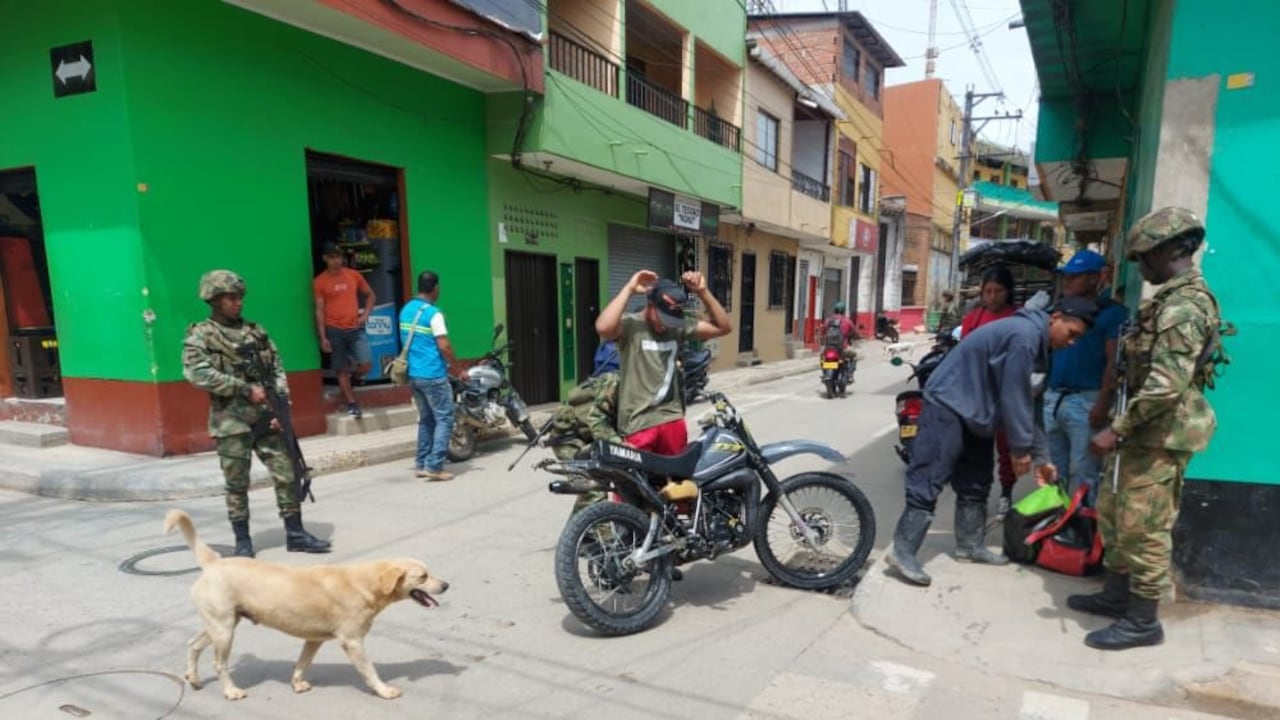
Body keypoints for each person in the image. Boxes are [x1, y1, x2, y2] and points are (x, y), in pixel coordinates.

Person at [1072, 207, 1222, 651]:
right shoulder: (1167, 300)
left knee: (1147, 527)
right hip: (1140, 432)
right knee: (1117, 516)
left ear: (1170, 250)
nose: (1140, 266)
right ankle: (1117, 596)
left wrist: (1115, 430)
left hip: (1159, 434)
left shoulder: (1185, 306)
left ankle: (1143, 622)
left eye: (1144, 257)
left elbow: (1165, 386)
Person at [886, 296, 1097, 587]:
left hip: (978, 409)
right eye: (1071, 334)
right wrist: (1020, 449)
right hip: (949, 401)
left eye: (1078, 339)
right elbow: (1015, 396)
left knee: (977, 477)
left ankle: (969, 545)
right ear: (1056, 317)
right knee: (930, 477)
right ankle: (903, 550)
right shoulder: (1024, 338)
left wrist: (1042, 457)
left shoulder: (1038, 345)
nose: (1072, 342)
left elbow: (1030, 401)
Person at [182, 270, 332, 557]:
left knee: (287, 472)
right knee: (237, 484)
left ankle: (296, 533)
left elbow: (276, 365)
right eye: (230, 298)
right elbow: (196, 374)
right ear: (213, 300)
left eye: (240, 297)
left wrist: (280, 405)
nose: (238, 303)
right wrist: (243, 388)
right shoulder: (201, 336)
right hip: (231, 422)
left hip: (266, 417)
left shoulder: (256, 331)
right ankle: (243, 543)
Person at [595, 270, 732, 455]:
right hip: (638, 424)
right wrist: (629, 289)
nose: (666, 324)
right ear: (650, 304)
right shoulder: (631, 326)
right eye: (662, 317)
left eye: (671, 319)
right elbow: (603, 328)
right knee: (638, 483)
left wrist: (703, 292)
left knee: (678, 483)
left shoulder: (678, 327)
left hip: (671, 420)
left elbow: (723, 327)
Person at [1044, 250, 1129, 507]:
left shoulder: (1112, 314)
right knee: (1051, 471)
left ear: (1094, 279)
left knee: (1085, 473)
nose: (1068, 283)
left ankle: (1080, 534)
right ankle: (1055, 529)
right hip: (1054, 397)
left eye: (1075, 277)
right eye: (1066, 277)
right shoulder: (1058, 312)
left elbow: (1113, 363)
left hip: (1086, 401)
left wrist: (1103, 402)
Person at [959, 264, 1021, 518]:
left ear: (1008, 292)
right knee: (977, 449)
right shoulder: (973, 318)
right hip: (978, 394)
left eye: (998, 291)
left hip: (1006, 393)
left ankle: (1006, 493)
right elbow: (964, 351)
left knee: (1007, 448)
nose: (992, 297)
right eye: (987, 292)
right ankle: (975, 498)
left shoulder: (1017, 318)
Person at [399, 270, 461, 481]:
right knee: (444, 418)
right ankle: (435, 466)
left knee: (426, 419)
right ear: (435, 288)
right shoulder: (434, 314)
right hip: (433, 374)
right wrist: (458, 369)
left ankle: (421, 463)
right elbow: (444, 345)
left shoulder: (406, 310)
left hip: (414, 375)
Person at [313, 242, 375, 419]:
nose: (336, 261)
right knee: (341, 369)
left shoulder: (354, 275)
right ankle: (352, 403)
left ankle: (352, 380)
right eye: (332, 257)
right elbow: (319, 309)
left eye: (338, 256)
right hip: (334, 330)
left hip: (355, 327)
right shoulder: (319, 282)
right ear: (325, 258)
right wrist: (323, 336)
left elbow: (370, 294)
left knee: (366, 364)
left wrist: (366, 314)